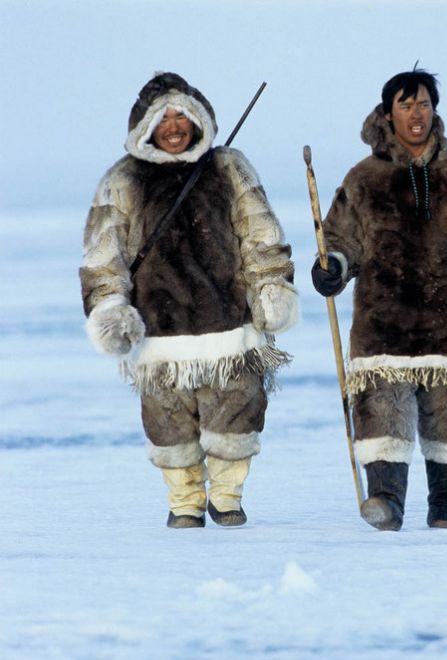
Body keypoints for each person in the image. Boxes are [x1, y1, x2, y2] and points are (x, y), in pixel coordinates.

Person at [80, 72, 298, 529]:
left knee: (237, 414)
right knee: (167, 424)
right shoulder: (120, 180)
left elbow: (262, 236)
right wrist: (110, 306)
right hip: (159, 333)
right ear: (146, 126)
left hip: (230, 326)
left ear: (199, 119)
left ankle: (227, 496)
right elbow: (103, 254)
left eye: (183, 115)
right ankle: (184, 502)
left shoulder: (229, 167)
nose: (175, 125)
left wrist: (271, 286)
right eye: (164, 118)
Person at [311, 67, 447, 531]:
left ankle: (445, 503)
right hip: (382, 324)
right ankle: (386, 501)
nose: (416, 113)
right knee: (381, 415)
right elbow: (341, 240)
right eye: (405, 105)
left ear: (434, 110)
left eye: (423, 104)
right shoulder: (363, 178)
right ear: (388, 114)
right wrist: (332, 269)